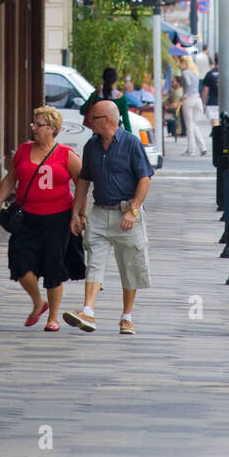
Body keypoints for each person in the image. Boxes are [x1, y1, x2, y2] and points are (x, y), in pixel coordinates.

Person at [0, 107, 84, 331]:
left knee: (53, 265)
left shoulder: (66, 154)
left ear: (52, 129)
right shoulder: (24, 150)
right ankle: (38, 302)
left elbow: (82, 184)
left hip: (58, 218)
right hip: (27, 217)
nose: (33, 128)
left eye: (38, 125)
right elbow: (10, 179)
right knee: (19, 262)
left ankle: (53, 318)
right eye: (34, 123)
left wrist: (79, 214)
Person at [63, 99, 153, 336]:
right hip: (100, 213)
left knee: (130, 266)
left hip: (126, 213)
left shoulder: (131, 143)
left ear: (109, 120)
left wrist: (133, 211)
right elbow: (84, 181)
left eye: (93, 118)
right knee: (94, 262)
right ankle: (88, 311)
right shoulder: (91, 146)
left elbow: (145, 179)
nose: (89, 122)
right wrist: (77, 213)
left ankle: (127, 317)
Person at [80, 66, 132, 133]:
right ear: (116, 80)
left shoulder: (96, 95)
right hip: (115, 133)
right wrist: (129, 136)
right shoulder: (121, 99)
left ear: (103, 78)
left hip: (98, 132)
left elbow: (82, 110)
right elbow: (126, 121)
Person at [179, 55, 207, 156]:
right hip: (197, 99)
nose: (179, 65)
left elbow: (188, 82)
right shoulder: (194, 72)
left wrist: (185, 93)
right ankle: (202, 147)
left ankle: (191, 150)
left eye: (180, 63)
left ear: (185, 63)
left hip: (189, 100)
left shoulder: (185, 72)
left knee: (189, 126)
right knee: (194, 125)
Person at [201, 54, 220, 128]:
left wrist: (203, 103)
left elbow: (205, 90)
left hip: (213, 103)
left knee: (215, 127)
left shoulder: (210, 74)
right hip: (227, 102)